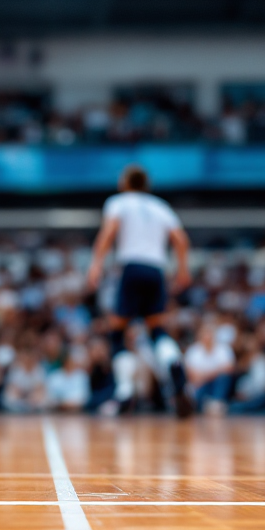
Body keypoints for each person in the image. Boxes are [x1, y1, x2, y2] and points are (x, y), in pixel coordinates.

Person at [87, 164, 194, 417]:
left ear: (125, 182)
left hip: (131, 267)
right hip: (156, 270)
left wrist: (96, 264)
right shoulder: (161, 207)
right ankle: (173, 362)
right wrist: (183, 270)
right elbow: (181, 240)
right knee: (157, 330)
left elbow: (109, 232)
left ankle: (124, 392)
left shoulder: (119, 202)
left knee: (117, 333)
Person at [184, 324, 234, 415]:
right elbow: (191, 376)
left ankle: (216, 402)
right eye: (205, 333)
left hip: (215, 385)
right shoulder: (193, 351)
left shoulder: (223, 349)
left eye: (209, 333)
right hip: (200, 387)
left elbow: (229, 369)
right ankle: (211, 406)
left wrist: (205, 375)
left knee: (223, 378)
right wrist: (215, 372)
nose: (207, 336)